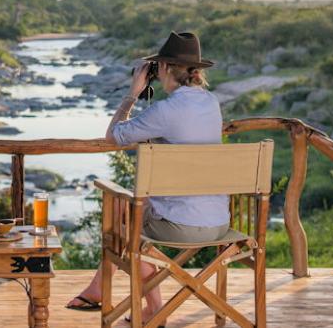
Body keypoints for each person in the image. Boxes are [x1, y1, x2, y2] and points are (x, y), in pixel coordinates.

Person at [65, 31, 228, 324]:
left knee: (120, 215)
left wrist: (132, 94)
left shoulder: (166, 110)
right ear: (197, 72)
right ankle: (104, 291)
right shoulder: (211, 103)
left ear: (163, 68)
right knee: (130, 216)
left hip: (181, 227)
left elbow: (113, 136)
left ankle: (149, 306)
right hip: (220, 224)